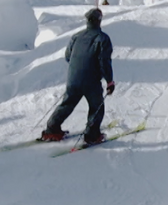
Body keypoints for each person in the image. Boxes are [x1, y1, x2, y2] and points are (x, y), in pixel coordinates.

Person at [40, 8, 116, 145]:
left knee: (67, 104)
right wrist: (110, 81)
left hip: (73, 78)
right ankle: (92, 135)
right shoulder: (102, 38)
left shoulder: (76, 36)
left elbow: (68, 57)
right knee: (96, 106)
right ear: (99, 21)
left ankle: (52, 129)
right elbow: (104, 62)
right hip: (91, 81)